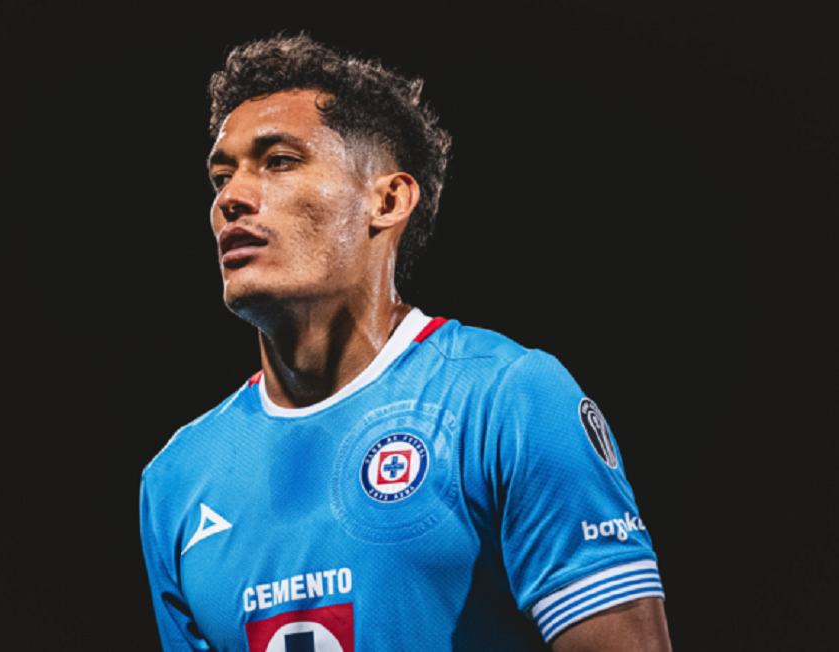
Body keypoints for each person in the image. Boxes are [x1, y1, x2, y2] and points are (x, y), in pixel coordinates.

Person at [140, 35, 671, 651]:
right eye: (221, 176)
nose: (230, 198)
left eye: (279, 161)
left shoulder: (509, 400)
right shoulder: (177, 480)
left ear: (387, 200)